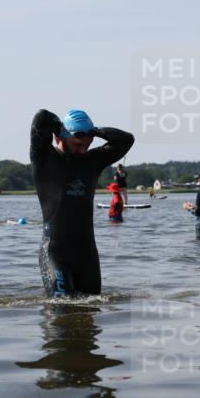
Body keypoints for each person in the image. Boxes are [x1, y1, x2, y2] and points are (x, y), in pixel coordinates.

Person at [30, 108, 135, 296]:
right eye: (78, 142)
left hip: (87, 257)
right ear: (59, 136)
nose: (83, 148)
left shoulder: (92, 161)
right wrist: (59, 127)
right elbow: (41, 117)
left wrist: (95, 131)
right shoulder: (45, 159)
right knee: (61, 311)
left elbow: (127, 140)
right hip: (56, 254)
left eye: (88, 143)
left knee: (92, 310)